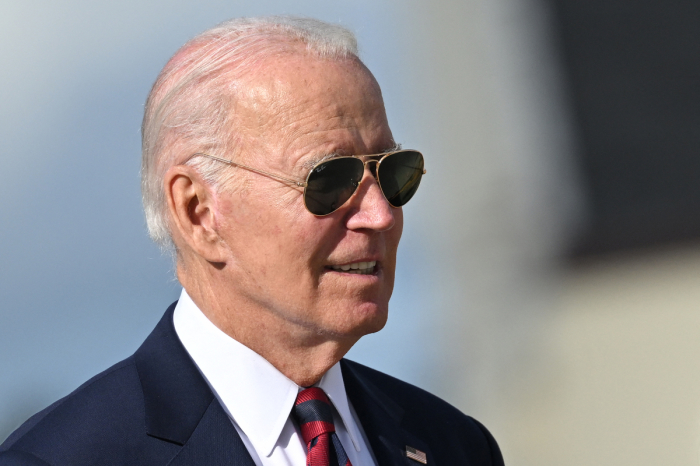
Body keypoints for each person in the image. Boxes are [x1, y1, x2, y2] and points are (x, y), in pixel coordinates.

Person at [0, 16, 504, 466]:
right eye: (329, 181)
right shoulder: (62, 457)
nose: (381, 215)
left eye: (393, 173)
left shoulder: (453, 444)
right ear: (198, 212)